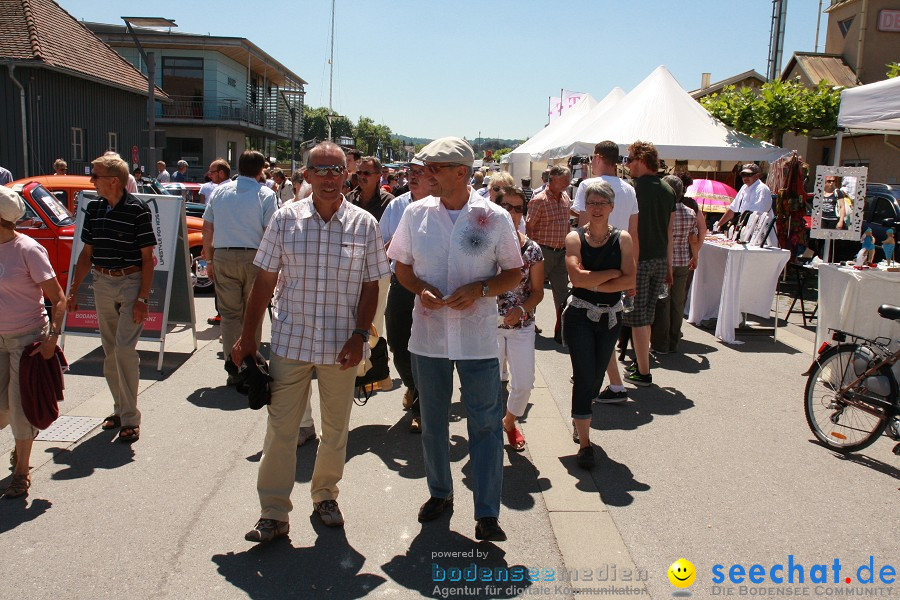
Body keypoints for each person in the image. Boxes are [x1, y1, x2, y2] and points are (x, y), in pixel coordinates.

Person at [235, 142, 390, 543]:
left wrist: (360, 336)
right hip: (291, 342)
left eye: (335, 170)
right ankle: (273, 511)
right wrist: (248, 337)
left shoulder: (364, 225)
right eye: (319, 170)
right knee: (281, 430)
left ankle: (325, 495)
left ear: (347, 175)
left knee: (336, 430)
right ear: (305, 175)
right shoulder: (285, 220)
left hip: (342, 346)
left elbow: (372, 285)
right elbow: (264, 281)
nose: (327, 177)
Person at [388, 136, 522, 542]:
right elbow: (402, 268)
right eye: (425, 168)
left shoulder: (494, 217)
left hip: (477, 339)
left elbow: (513, 272)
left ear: (460, 172)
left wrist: (481, 289)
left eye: (434, 167)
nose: (425, 174)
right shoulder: (415, 214)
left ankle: (486, 512)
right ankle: (440, 493)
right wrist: (419, 289)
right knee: (432, 423)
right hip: (428, 337)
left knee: (484, 425)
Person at [66, 153, 157, 443]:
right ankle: (119, 408)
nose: (91, 180)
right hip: (102, 282)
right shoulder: (94, 209)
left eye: (96, 175)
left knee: (124, 351)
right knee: (109, 352)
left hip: (131, 283)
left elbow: (147, 259)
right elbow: (86, 253)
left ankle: (130, 417)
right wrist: (74, 288)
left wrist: (143, 297)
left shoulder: (138, 210)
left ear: (113, 180)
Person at [563, 180, 635, 469]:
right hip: (579, 315)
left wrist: (595, 279)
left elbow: (630, 280)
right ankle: (585, 443)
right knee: (583, 375)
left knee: (595, 379)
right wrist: (612, 274)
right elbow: (577, 280)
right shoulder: (574, 238)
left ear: (612, 207)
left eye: (601, 203)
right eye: (591, 203)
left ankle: (580, 415)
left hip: (611, 317)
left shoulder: (624, 238)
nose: (595, 208)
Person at [0, 187, 67, 498]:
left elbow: (59, 299)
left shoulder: (28, 249)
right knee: (3, 410)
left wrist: (52, 338)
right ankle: (20, 447)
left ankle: (22, 473)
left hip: (27, 339)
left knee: (20, 409)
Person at [202, 150, 278, 387]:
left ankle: (234, 368)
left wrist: (211, 260)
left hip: (224, 255)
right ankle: (250, 366)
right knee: (251, 315)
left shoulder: (220, 192)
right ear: (260, 170)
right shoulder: (265, 193)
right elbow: (270, 232)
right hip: (255, 257)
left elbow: (207, 228)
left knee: (230, 315)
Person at [572, 141, 640, 402]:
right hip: (620, 262)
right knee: (607, 322)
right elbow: (634, 233)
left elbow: (580, 228)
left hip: (595, 262)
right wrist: (630, 271)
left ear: (598, 157)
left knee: (597, 325)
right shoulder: (629, 189)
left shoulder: (588, 185)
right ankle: (609, 381)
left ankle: (613, 383)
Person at [381, 160, 430, 433]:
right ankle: (412, 386)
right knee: (398, 343)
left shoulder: (441, 206)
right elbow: (382, 244)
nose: (412, 177)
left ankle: (421, 408)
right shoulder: (397, 206)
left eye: (419, 172)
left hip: (430, 283)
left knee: (427, 346)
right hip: (401, 282)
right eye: (410, 173)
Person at [494, 186, 544, 452]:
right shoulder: (482, 245)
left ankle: (509, 421)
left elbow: (537, 292)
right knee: (486, 384)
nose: (512, 213)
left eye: (517, 208)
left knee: (524, 383)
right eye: (506, 207)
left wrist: (521, 310)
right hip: (488, 326)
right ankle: (489, 432)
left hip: (521, 325)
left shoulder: (532, 249)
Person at [622, 141, 674, 388]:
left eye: (630, 159)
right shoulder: (667, 189)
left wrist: (629, 266)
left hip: (639, 260)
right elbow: (670, 232)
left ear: (641, 159)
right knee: (647, 315)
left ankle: (643, 371)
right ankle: (642, 362)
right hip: (659, 260)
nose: (627, 164)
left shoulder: (633, 189)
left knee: (638, 318)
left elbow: (633, 230)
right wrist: (670, 266)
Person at [651, 175, 700, 354]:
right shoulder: (690, 212)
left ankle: (661, 343)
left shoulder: (662, 212)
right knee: (678, 302)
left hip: (664, 262)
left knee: (663, 302)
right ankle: (674, 340)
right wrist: (695, 257)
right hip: (682, 262)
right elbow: (693, 239)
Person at [526, 165, 572, 343]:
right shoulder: (539, 200)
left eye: (568, 181)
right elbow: (529, 226)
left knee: (562, 293)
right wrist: (532, 253)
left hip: (561, 252)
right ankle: (529, 324)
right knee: (534, 291)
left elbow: (566, 222)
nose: (567, 184)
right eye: (564, 181)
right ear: (551, 180)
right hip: (543, 251)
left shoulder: (565, 197)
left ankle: (562, 331)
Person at [716, 163, 772, 230]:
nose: (745, 177)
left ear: (757, 175)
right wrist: (718, 226)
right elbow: (732, 209)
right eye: (743, 175)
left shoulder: (761, 189)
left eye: (749, 175)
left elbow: (755, 214)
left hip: (759, 230)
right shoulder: (744, 187)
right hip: (745, 229)